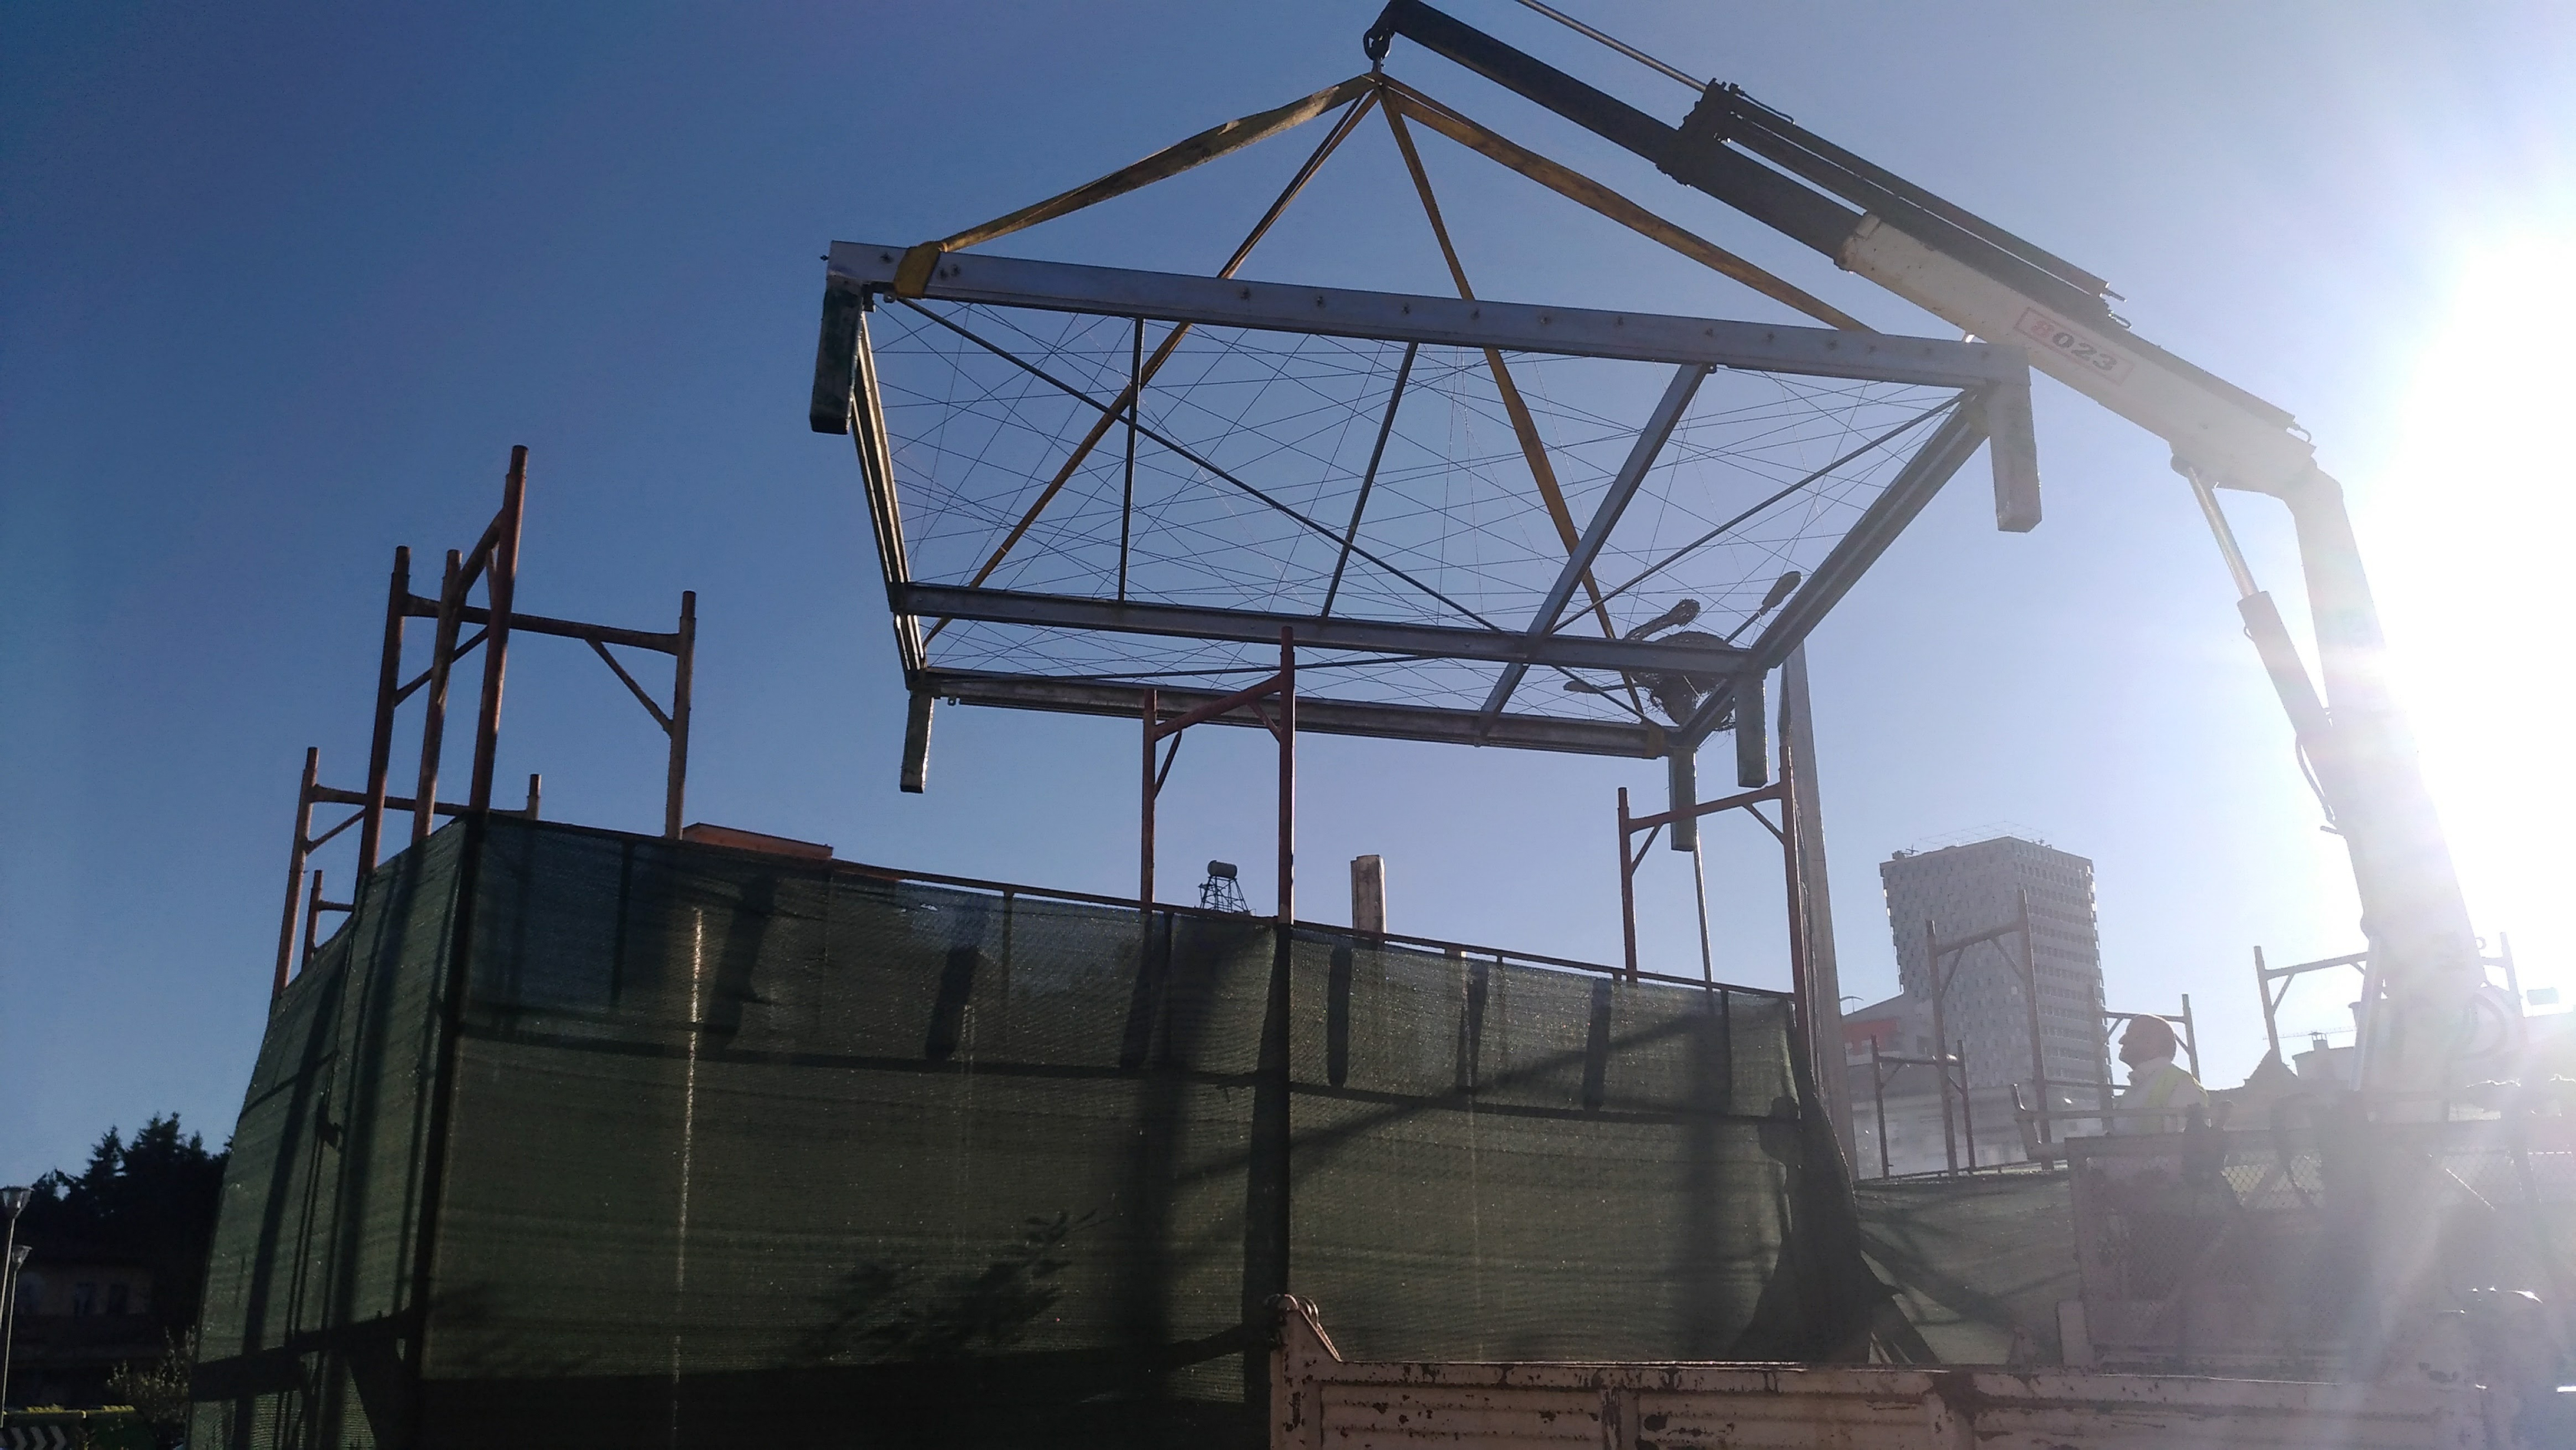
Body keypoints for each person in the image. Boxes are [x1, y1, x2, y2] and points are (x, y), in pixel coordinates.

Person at [2111, 1014, 2208, 1134]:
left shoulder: (2183, 1085)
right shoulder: (2133, 1091)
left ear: (2151, 1042)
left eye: (2130, 1034)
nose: (2121, 1041)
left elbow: (2188, 1142)